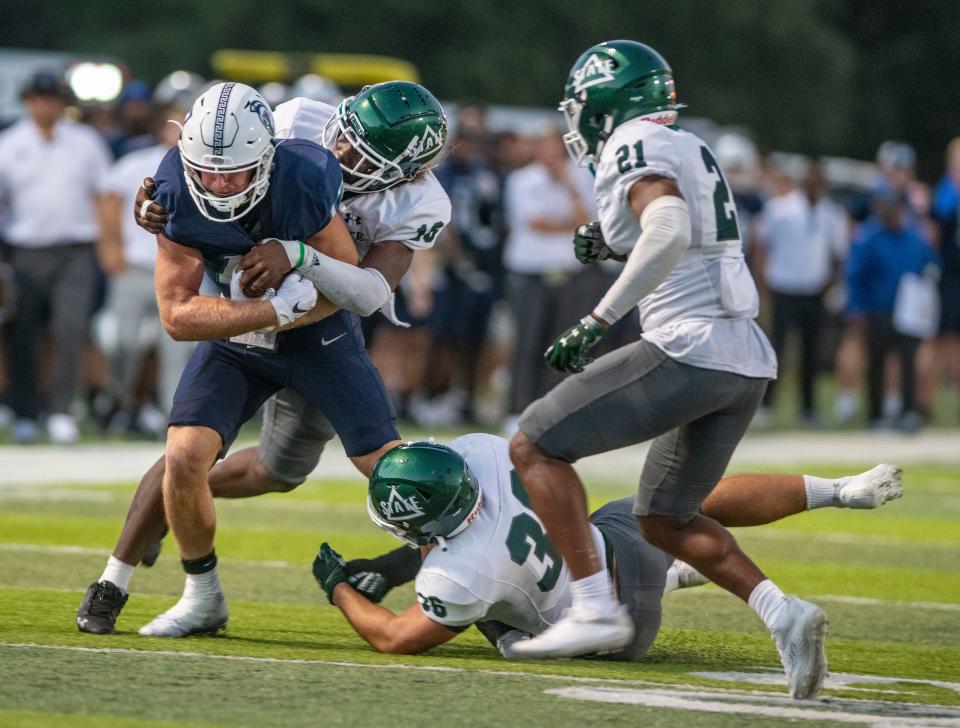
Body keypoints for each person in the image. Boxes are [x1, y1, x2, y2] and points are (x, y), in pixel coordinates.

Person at [502, 40, 826, 700]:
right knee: (664, 519)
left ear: (606, 107)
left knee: (534, 443)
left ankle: (593, 607)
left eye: (583, 108)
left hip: (690, 347)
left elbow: (671, 225)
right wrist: (609, 234)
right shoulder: (688, 144)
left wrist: (599, 317)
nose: (578, 122)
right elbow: (674, 223)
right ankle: (782, 614)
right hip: (744, 360)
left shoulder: (630, 143)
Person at [76, 81, 451, 635]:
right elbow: (224, 161)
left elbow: (371, 293)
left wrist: (297, 254)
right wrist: (164, 204)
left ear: (409, 172)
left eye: (361, 156)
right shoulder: (295, 123)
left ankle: (452, 587)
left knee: (298, 471)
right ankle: (124, 577)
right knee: (185, 455)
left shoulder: (420, 202)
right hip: (244, 316)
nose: (341, 155)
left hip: (323, 328)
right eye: (343, 138)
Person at [313, 435, 902, 670]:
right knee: (681, 500)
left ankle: (665, 581)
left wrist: (338, 583)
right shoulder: (482, 451)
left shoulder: (456, 574)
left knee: (494, 620)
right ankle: (837, 491)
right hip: (618, 548)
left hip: (610, 632)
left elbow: (393, 637)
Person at [0, 70, 112, 443]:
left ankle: (61, 408)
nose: (45, 105)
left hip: (75, 251)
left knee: (71, 328)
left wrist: (109, 246)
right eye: (38, 98)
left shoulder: (85, 142)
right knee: (23, 332)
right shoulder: (10, 143)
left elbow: (104, 197)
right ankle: (24, 409)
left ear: (63, 103)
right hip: (25, 250)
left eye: (52, 99)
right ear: (28, 101)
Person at [96, 101, 194, 430]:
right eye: (173, 125)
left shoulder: (203, 167)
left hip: (181, 269)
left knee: (177, 348)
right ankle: (116, 400)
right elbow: (109, 202)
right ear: (161, 127)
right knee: (123, 342)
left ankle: (173, 417)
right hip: (136, 267)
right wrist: (110, 247)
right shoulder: (136, 162)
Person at [502, 128, 594, 433]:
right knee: (527, 343)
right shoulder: (522, 180)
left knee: (562, 344)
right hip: (531, 272)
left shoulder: (579, 179)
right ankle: (517, 411)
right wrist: (568, 223)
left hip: (568, 273)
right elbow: (535, 223)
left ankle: (554, 411)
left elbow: (588, 222)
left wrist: (569, 190)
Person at [755, 160, 848, 425]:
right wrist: (763, 284)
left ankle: (809, 407)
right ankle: (767, 405)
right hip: (783, 287)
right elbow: (762, 247)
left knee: (812, 351)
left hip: (814, 290)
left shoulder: (832, 214)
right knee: (777, 349)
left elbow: (837, 255)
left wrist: (831, 284)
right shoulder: (779, 209)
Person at [845, 191, 939, 430]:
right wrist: (856, 309)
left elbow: (931, 262)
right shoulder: (869, 238)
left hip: (908, 313)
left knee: (908, 362)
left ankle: (909, 412)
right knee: (877, 363)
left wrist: (930, 273)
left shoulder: (914, 238)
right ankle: (875, 415)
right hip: (878, 310)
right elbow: (855, 276)